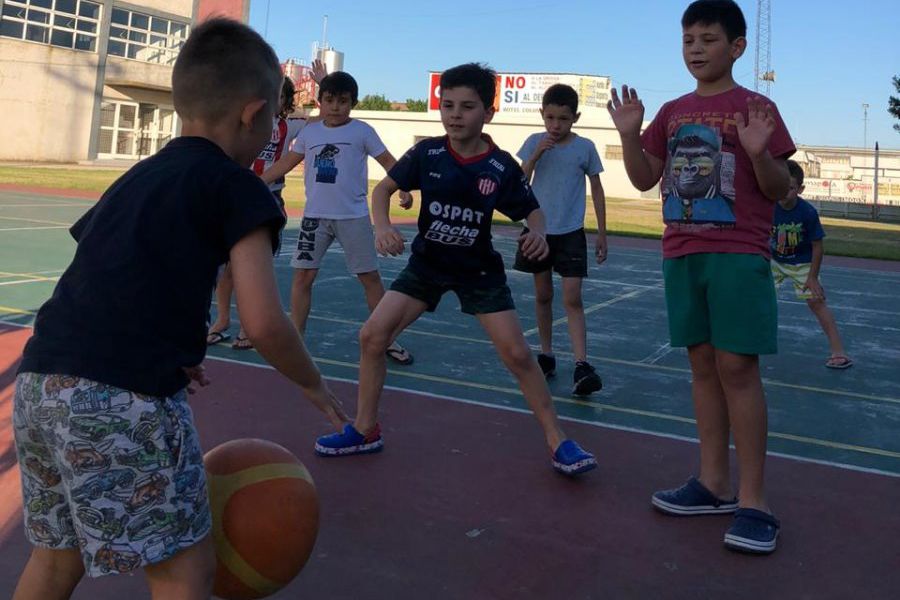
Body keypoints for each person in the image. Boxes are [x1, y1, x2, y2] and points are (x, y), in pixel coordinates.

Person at [11, 19, 347, 600]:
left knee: (55, 556)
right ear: (253, 114)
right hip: (123, 399)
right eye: (271, 119)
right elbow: (265, 322)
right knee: (184, 571)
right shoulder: (239, 187)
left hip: (41, 383)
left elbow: (108, 276)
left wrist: (169, 345)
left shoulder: (136, 177)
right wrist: (315, 387)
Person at [314, 63, 597, 477]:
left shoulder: (499, 166)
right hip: (427, 265)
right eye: (447, 105)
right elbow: (383, 190)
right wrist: (382, 226)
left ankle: (559, 441)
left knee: (518, 355)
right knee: (372, 336)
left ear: (489, 111)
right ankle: (364, 428)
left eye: (467, 106)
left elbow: (533, 211)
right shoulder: (427, 152)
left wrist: (537, 233)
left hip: (478, 271)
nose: (455, 114)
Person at [607, 0, 794, 553]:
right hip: (682, 251)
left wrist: (759, 154)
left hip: (738, 253)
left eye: (708, 39)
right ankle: (713, 483)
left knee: (737, 367)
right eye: (688, 39)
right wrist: (628, 133)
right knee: (702, 365)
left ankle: (755, 500)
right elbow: (645, 180)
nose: (695, 49)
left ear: (736, 47)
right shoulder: (670, 111)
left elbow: (780, 187)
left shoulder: (756, 106)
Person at [261, 71, 415, 365]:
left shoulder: (362, 132)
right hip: (313, 219)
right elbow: (284, 163)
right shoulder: (309, 134)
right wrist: (255, 182)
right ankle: (296, 338)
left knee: (369, 278)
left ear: (353, 103)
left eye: (343, 101)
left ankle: (387, 338)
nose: (335, 107)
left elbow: (389, 162)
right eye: (329, 100)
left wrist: (404, 187)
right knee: (303, 277)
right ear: (320, 102)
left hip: (353, 218)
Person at [207, 70, 321, 350]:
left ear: (286, 101)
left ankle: (249, 326)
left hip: (268, 199)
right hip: (235, 198)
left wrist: (320, 84)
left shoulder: (290, 126)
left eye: (280, 96)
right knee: (226, 267)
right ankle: (222, 321)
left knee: (252, 267)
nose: (274, 100)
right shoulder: (242, 122)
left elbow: (321, 119)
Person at [514, 83, 607, 396]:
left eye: (563, 119)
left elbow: (596, 188)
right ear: (542, 114)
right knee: (542, 295)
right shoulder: (533, 143)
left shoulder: (585, 148)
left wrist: (602, 233)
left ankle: (582, 363)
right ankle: (546, 353)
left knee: (572, 298)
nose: (555, 125)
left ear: (575, 118)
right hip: (539, 232)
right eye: (550, 117)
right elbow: (518, 182)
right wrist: (536, 154)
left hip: (570, 232)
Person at [771, 160, 852, 368]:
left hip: (802, 263)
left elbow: (817, 246)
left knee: (816, 302)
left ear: (800, 189)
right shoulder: (768, 207)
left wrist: (812, 277)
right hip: (775, 261)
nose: (785, 192)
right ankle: (743, 345)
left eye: (790, 188)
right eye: (781, 186)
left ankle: (838, 351)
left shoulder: (807, 212)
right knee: (757, 298)